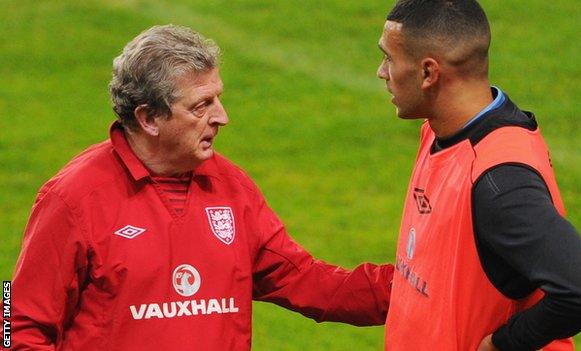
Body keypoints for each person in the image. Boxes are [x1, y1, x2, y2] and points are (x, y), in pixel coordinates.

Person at [11, 25, 393, 350]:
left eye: (218, 99)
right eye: (201, 106)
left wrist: (417, 286)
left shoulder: (232, 187)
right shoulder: (73, 198)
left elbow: (310, 282)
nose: (222, 117)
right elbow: (15, 321)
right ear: (148, 118)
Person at [375, 1, 581, 350]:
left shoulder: (498, 182)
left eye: (389, 59)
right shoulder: (441, 132)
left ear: (429, 73)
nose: (382, 71)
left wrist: (503, 344)